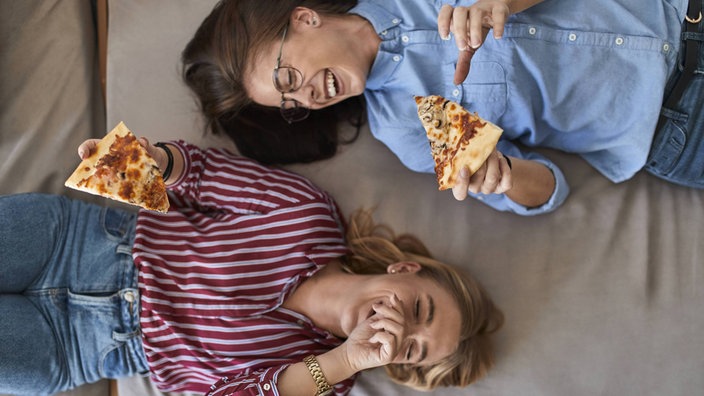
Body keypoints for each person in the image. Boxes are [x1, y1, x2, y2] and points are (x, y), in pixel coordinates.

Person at [0, 136, 503, 395]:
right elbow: (199, 175)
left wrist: (346, 360)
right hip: (79, 241)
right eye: (419, 309)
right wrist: (139, 159)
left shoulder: (327, 379)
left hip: (79, 348)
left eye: (410, 348)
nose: (398, 328)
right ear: (405, 270)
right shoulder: (310, 214)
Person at [181, 0, 700, 216]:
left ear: (302, 18)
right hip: (677, 129)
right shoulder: (413, 126)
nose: (306, 98)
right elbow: (548, 191)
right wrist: (505, 176)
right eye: (290, 103)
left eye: (286, 77)